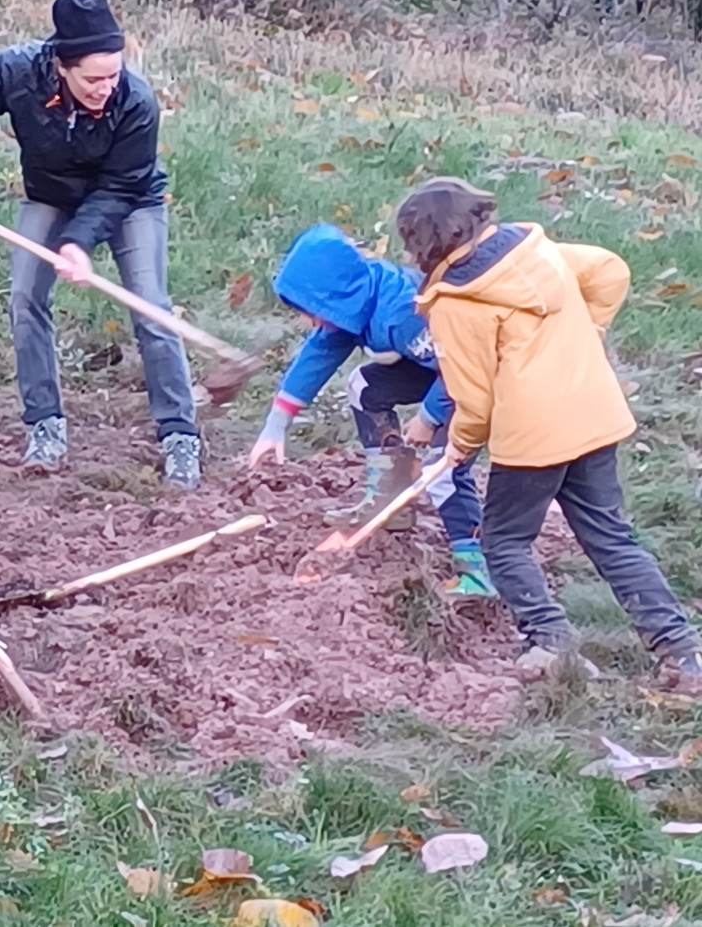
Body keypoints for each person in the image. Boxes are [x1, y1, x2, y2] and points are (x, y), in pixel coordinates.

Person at [397, 177, 702, 686]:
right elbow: (609, 270)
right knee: (611, 538)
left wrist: (459, 446)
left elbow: (472, 399)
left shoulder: (454, 304)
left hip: (534, 437)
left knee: (504, 540)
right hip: (594, 412)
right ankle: (684, 653)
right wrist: (589, 334)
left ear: (422, 243)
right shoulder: (533, 251)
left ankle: (549, 642)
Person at [0, 0, 201, 488]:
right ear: (62, 65)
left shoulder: (137, 103)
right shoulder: (17, 73)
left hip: (129, 198)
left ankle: (180, 435)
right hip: (51, 193)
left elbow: (123, 184)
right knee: (25, 298)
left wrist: (78, 243)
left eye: (114, 74)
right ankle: (45, 425)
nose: (106, 86)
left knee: (150, 305)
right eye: (93, 78)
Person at [247, 224, 491, 597]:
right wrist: (276, 425)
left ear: (338, 297)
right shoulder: (356, 305)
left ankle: (477, 569)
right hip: (442, 372)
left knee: (442, 470)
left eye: (311, 310)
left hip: (480, 381)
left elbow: (464, 369)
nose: (308, 321)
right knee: (365, 387)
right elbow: (318, 354)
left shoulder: (404, 314)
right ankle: (389, 497)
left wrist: (428, 419)